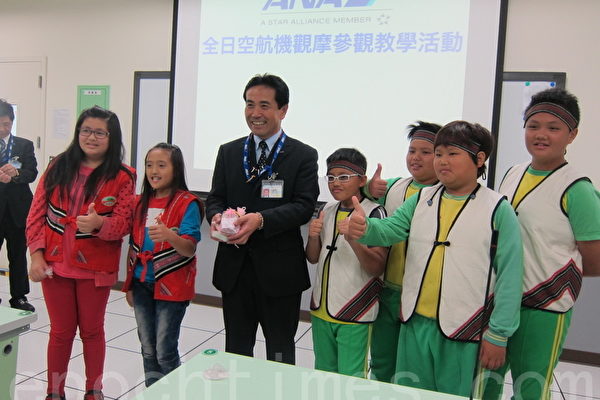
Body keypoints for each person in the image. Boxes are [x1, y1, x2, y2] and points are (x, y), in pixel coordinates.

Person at [342, 121, 524, 398]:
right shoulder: (422, 198)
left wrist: (499, 334)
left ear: (479, 159)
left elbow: (510, 276)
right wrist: (366, 227)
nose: (442, 161)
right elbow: (391, 229)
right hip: (415, 323)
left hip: (466, 328)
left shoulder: (498, 209)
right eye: (438, 154)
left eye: (452, 154)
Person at [483, 88, 600, 400]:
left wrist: (552, 278)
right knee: (484, 385)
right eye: (533, 126)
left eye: (553, 128)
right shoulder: (513, 173)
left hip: (544, 308)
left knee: (529, 390)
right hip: (500, 302)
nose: (541, 135)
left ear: (572, 134)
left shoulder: (577, 188)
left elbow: (595, 261)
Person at [205, 73, 319, 365]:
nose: (255, 113)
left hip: (279, 272)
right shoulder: (229, 152)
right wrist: (216, 216)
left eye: (264, 105)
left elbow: (304, 206)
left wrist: (261, 219)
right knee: (237, 350)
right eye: (249, 104)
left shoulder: (303, 155)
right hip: (235, 269)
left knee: (280, 352)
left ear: (283, 110)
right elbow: (215, 197)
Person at [26, 106, 135, 400]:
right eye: (86, 130)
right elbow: (36, 213)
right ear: (77, 133)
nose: (92, 137)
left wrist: (100, 224)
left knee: (91, 331)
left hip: (96, 268)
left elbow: (124, 224)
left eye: (100, 132)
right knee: (60, 333)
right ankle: (54, 392)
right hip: (55, 265)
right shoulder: (58, 166)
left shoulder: (124, 176)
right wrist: (36, 254)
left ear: (112, 138)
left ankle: (93, 391)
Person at [363, 121, 441, 383]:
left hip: (423, 297)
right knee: (382, 360)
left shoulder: (446, 194)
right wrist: (368, 188)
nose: (416, 157)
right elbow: (364, 194)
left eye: (425, 152)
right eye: (412, 150)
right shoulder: (394, 187)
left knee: (415, 368)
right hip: (388, 290)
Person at [122, 143, 201, 387]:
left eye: (161, 165)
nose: (154, 171)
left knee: (165, 351)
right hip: (141, 284)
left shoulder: (188, 203)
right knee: (148, 349)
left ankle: (176, 392)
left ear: (176, 169)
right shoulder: (139, 202)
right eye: (149, 165)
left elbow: (189, 249)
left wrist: (170, 236)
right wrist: (129, 285)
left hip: (172, 288)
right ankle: (153, 392)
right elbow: (132, 245)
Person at [306, 148, 388, 377]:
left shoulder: (375, 213)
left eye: (344, 177)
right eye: (331, 177)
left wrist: (353, 240)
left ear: (362, 180)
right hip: (321, 308)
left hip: (355, 311)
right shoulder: (327, 209)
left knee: (351, 379)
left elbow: (376, 267)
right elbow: (313, 257)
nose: (335, 183)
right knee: (323, 374)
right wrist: (312, 236)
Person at [0, 98, 37, 311]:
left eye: (6, 124)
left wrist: (16, 173)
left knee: (18, 255)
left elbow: (31, 173)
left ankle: (19, 297)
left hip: (17, 210)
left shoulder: (24, 145)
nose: (2, 129)